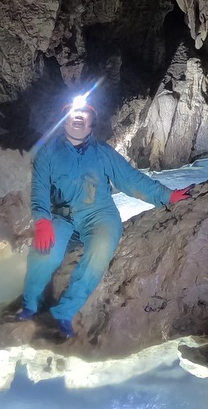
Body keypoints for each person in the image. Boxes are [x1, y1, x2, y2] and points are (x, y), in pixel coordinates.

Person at [21, 91, 188, 338]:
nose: (78, 118)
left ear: (90, 122)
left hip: (98, 213)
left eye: (84, 115)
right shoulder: (48, 153)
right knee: (44, 252)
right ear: (65, 119)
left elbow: (131, 179)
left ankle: (64, 312)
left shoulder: (102, 152)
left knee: (100, 249)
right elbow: (40, 190)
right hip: (61, 215)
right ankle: (30, 304)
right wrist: (42, 219)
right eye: (73, 114)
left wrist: (167, 196)